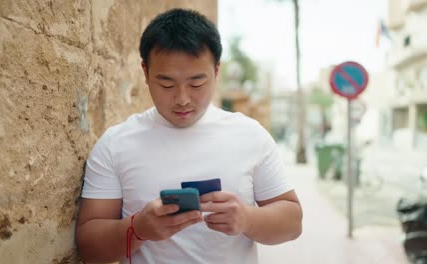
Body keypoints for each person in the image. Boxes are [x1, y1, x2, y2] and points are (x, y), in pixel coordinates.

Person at [75, 8, 302, 264]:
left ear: (217, 71)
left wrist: (248, 219)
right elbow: (90, 248)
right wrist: (138, 229)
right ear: (145, 72)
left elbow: (293, 223)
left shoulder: (251, 135)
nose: (182, 99)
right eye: (167, 84)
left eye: (196, 83)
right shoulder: (115, 144)